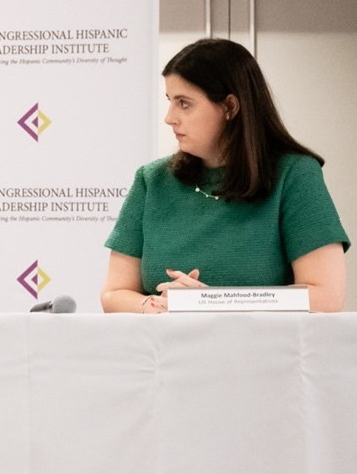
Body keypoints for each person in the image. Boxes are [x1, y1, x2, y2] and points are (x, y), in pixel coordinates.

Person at [101, 38, 349, 313]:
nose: (170, 118)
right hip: (162, 353)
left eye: (184, 104)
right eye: (170, 101)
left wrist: (211, 303)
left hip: (261, 354)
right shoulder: (152, 180)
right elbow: (114, 294)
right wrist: (152, 304)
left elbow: (326, 296)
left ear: (230, 107)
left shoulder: (294, 175)